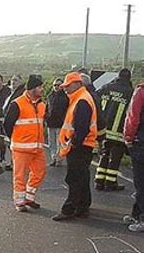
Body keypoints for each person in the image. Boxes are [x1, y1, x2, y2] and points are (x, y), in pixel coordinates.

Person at [52, 72, 98, 221]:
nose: (65, 88)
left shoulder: (82, 100)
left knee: (74, 178)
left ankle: (69, 209)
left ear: (78, 84)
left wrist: (73, 144)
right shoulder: (80, 98)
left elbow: (81, 128)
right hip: (84, 145)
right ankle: (83, 206)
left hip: (79, 146)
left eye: (68, 85)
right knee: (82, 177)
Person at [4, 75, 46, 212]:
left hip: (37, 148)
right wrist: (15, 139)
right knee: (20, 176)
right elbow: (7, 124)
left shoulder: (41, 105)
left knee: (39, 172)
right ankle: (20, 202)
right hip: (21, 148)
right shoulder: (17, 104)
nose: (42, 89)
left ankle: (29, 197)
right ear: (32, 89)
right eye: (39, 87)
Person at [94, 69, 134, 191]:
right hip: (119, 132)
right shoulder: (130, 92)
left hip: (104, 130)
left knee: (104, 154)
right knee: (115, 157)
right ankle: (110, 183)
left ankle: (99, 181)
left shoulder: (106, 87)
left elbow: (95, 101)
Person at [123, 83, 144, 232]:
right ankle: (136, 214)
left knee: (141, 182)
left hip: (141, 142)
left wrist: (128, 137)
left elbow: (133, 117)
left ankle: (141, 218)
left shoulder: (141, 91)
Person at [0, 75, 25, 170]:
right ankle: (12, 162)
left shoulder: (20, 93)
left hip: (17, 124)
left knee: (16, 147)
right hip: (9, 123)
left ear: (20, 82)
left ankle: (16, 164)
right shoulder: (11, 93)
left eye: (16, 80)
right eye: (12, 80)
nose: (13, 82)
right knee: (10, 146)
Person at [45, 78, 69, 166]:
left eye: (58, 85)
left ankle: (59, 159)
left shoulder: (66, 97)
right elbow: (47, 108)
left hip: (60, 124)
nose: (56, 87)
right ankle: (53, 158)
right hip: (50, 123)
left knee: (60, 143)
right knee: (51, 143)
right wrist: (46, 117)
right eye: (54, 85)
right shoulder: (50, 96)